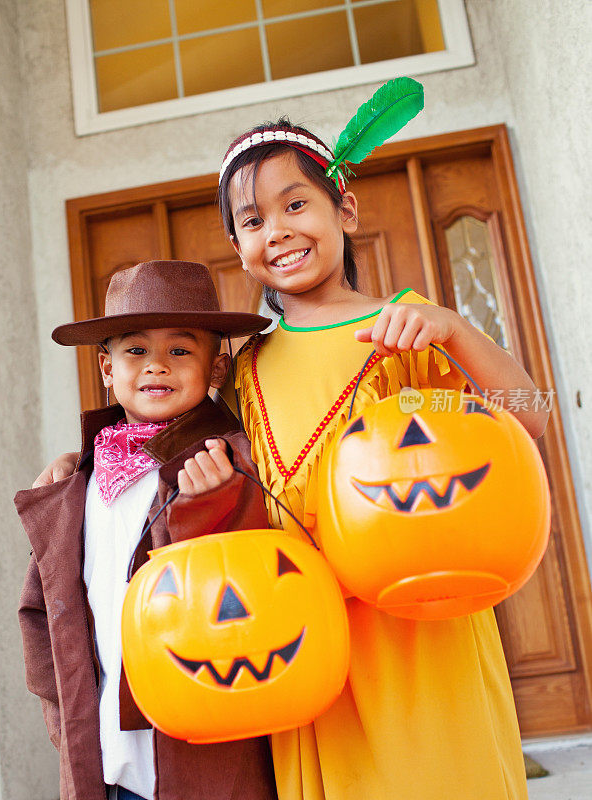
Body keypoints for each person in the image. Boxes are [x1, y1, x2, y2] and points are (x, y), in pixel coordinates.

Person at [36, 116, 549, 799]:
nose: (276, 230)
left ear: (346, 209)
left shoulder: (408, 328)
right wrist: (84, 461)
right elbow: (170, 440)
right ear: (238, 246)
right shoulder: (242, 370)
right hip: (299, 649)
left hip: (419, 639)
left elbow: (532, 414)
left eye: (296, 204)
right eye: (252, 220)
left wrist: (455, 331)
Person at [16, 260, 278, 800]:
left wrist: (212, 509)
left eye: (180, 351)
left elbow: (261, 595)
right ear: (106, 368)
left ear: (217, 370)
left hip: (200, 753)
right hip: (105, 761)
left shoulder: (230, 464)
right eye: (135, 350)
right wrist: (63, 716)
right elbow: (42, 610)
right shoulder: (82, 479)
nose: (156, 366)